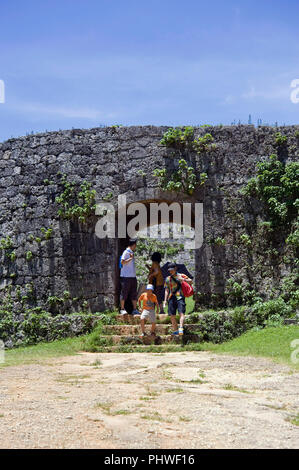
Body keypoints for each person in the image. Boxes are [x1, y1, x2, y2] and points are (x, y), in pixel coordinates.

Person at [163, 262, 193, 336]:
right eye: (169, 270)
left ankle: (181, 328)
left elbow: (191, 281)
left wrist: (183, 279)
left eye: (172, 270)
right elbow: (166, 290)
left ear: (175, 269)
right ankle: (176, 330)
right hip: (171, 298)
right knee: (172, 315)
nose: (170, 271)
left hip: (180, 297)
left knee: (181, 313)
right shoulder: (168, 279)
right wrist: (165, 300)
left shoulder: (182, 275)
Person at [119, 239, 140, 315]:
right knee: (124, 293)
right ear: (133, 245)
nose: (136, 247)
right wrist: (130, 258)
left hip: (132, 277)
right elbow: (122, 262)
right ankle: (122, 309)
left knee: (134, 293)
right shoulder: (126, 252)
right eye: (135, 245)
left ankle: (134, 309)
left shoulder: (131, 252)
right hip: (126, 276)